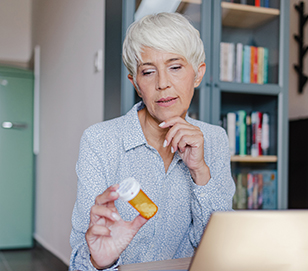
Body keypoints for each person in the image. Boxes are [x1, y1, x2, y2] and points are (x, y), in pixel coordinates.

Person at [69, 12, 235, 271]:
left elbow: (222, 247)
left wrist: (200, 171)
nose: (163, 84)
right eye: (148, 72)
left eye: (175, 67)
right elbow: (80, 260)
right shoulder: (99, 141)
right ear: (136, 83)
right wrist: (99, 262)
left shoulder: (214, 139)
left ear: (198, 74)